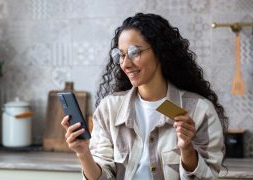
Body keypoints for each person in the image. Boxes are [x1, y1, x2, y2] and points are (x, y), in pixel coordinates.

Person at [61, 13, 228, 180]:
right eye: (121, 55)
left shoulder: (200, 111)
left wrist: (187, 150)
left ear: (160, 52)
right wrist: (83, 153)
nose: (125, 64)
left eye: (135, 52)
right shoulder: (109, 109)